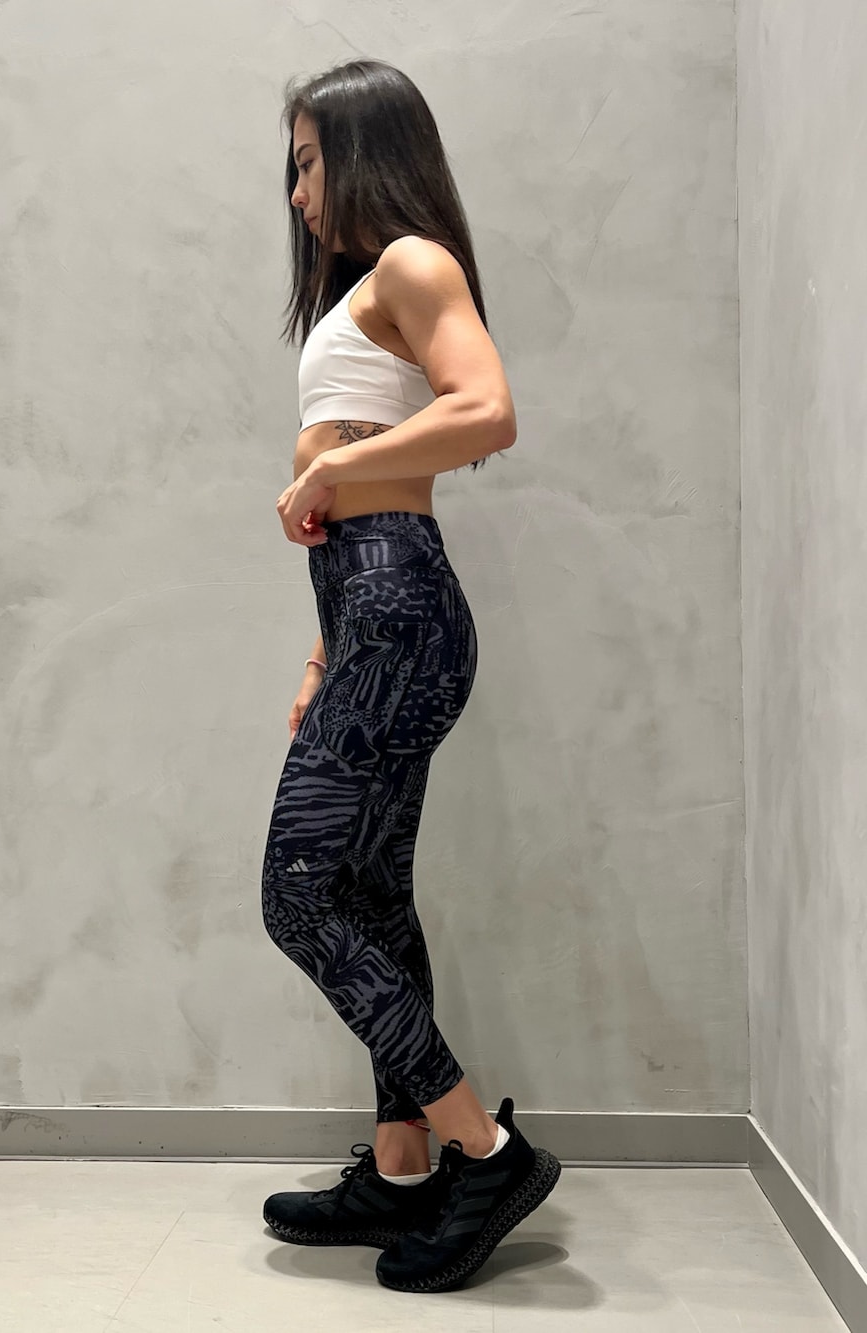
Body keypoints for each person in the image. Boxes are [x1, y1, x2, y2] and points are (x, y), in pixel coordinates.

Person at [259, 59, 561, 1294]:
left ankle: (483, 1152)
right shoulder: (362, 295)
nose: (296, 194)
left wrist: (333, 469)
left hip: (398, 607)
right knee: (369, 895)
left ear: (365, 149)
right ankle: (400, 1170)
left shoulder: (414, 263)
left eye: (307, 162)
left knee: (298, 896)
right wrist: (322, 649)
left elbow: (486, 409)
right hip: (371, 613)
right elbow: (366, 497)